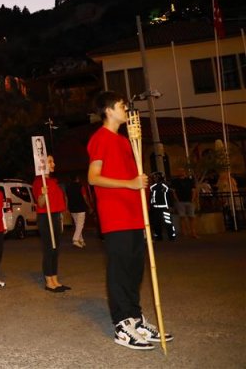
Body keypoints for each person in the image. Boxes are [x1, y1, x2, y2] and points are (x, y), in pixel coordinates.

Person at [87, 91, 173, 350]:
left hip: (136, 215)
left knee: (135, 269)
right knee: (120, 270)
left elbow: (133, 178)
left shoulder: (125, 141)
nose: (126, 109)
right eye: (122, 105)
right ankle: (123, 325)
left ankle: (136, 318)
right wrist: (129, 183)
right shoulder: (100, 138)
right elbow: (93, 177)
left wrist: (141, 183)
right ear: (108, 110)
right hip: (116, 216)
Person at [32, 155, 69, 292]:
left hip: (55, 217)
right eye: (50, 161)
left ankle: (55, 279)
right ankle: (49, 281)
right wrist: (42, 195)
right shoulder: (38, 182)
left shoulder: (53, 181)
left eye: (53, 160)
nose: (54, 163)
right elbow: (40, 204)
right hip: (45, 217)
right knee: (49, 249)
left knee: (55, 249)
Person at [65, 175, 91, 248]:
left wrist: (67, 208)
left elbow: (66, 198)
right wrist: (89, 206)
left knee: (77, 224)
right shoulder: (81, 186)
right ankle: (75, 239)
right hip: (81, 207)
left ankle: (81, 240)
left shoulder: (68, 188)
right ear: (77, 179)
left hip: (72, 208)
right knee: (80, 224)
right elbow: (85, 197)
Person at [171, 169, 198, 239]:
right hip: (180, 201)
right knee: (182, 217)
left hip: (189, 201)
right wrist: (177, 199)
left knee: (191, 217)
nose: (181, 172)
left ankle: (193, 232)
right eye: (180, 171)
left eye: (182, 171)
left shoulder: (189, 180)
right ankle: (184, 232)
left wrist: (192, 199)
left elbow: (193, 190)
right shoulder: (175, 181)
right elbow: (173, 191)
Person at [149, 172, 176, 241]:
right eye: (154, 177)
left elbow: (169, 196)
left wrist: (170, 206)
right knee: (156, 223)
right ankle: (158, 236)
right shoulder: (152, 187)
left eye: (156, 177)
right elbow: (151, 197)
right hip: (155, 208)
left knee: (168, 222)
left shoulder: (164, 186)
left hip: (164, 207)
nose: (155, 178)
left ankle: (171, 236)